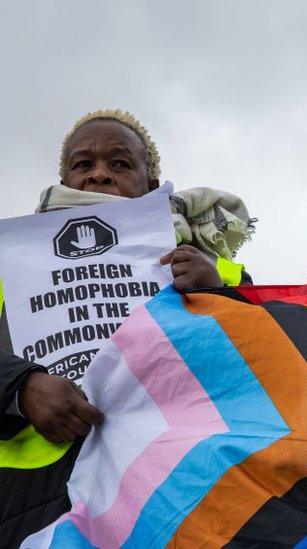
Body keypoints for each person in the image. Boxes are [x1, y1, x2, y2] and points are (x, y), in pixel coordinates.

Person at [0, 109, 255, 545]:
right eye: (84, 165)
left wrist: (221, 299)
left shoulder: (216, 271)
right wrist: (21, 388)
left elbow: (272, 377)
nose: (99, 176)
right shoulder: (10, 267)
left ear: (151, 187)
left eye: (119, 164)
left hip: (183, 492)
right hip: (33, 506)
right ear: (64, 180)